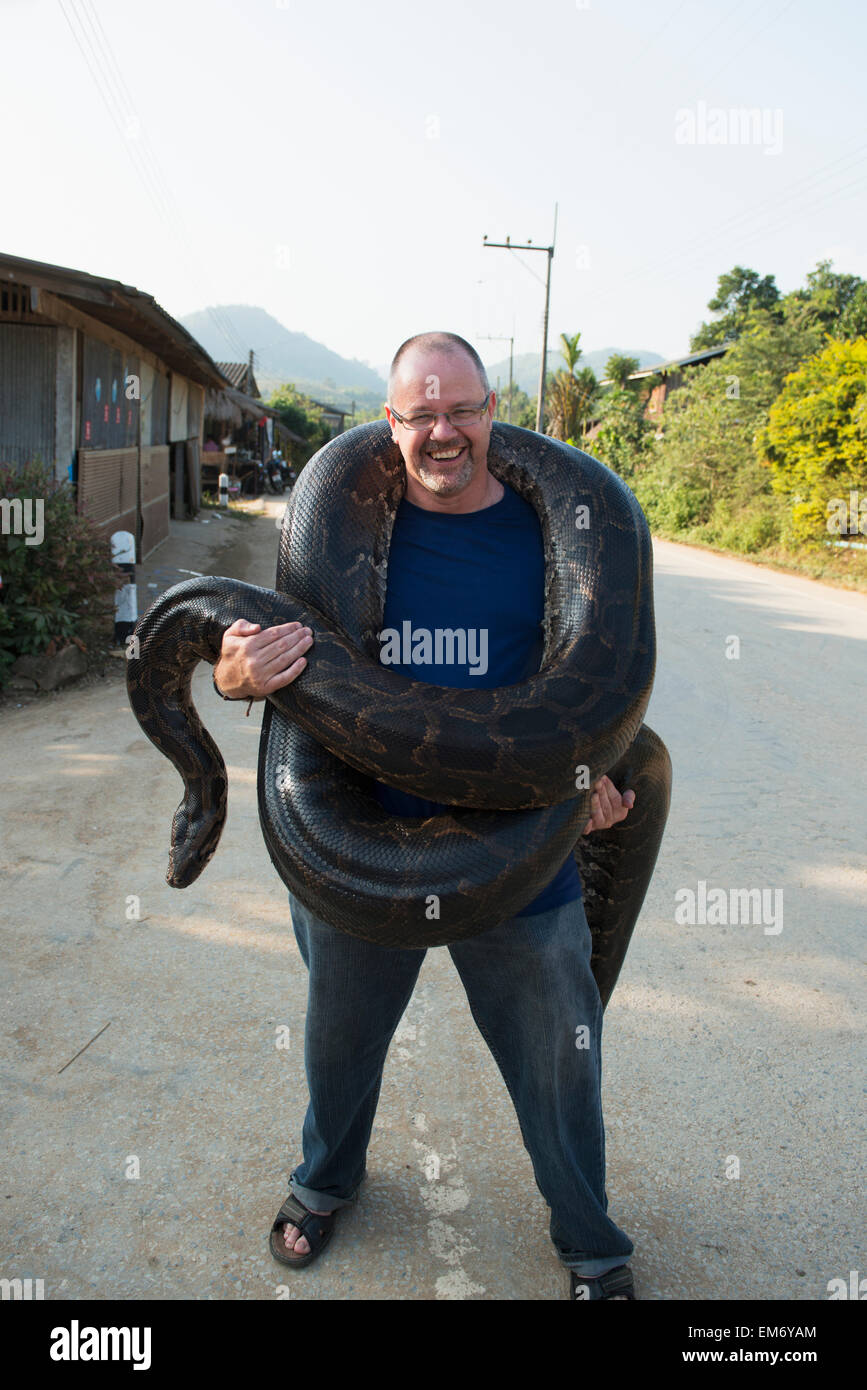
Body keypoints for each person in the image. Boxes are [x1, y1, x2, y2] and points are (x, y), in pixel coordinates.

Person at [212, 332, 638, 1300]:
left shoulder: (552, 532)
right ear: (389, 423)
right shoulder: (336, 529)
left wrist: (596, 774)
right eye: (420, 415)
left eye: (462, 411)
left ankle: (590, 1241)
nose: (443, 433)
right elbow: (274, 663)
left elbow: (602, 688)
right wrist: (236, 675)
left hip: (520, 844)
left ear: (494, 412)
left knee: (559, 1057)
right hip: (355, 837)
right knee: (340, 1042)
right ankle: (323, 1184)